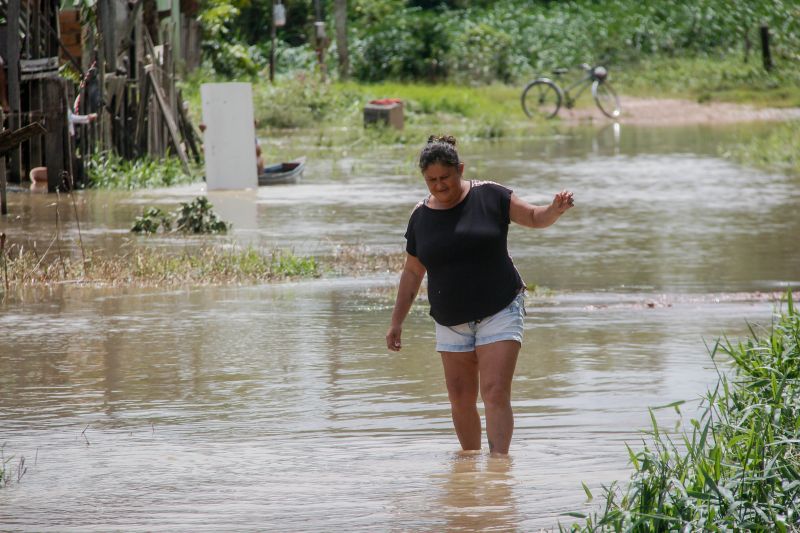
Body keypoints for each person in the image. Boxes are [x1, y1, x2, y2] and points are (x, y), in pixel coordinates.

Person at [385, 135, 574, 457]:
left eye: (446, 177)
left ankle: (499, 469)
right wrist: (396, 322)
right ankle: (470, 468)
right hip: (450, 319)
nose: (440, 186)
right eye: (431, 180)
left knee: (495, 391)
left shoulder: (490, 195)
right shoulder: (421, 216)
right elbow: (413, 272)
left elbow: (532, 217)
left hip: (499, 307)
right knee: (460, 398)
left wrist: (553, 210)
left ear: (460, 169)